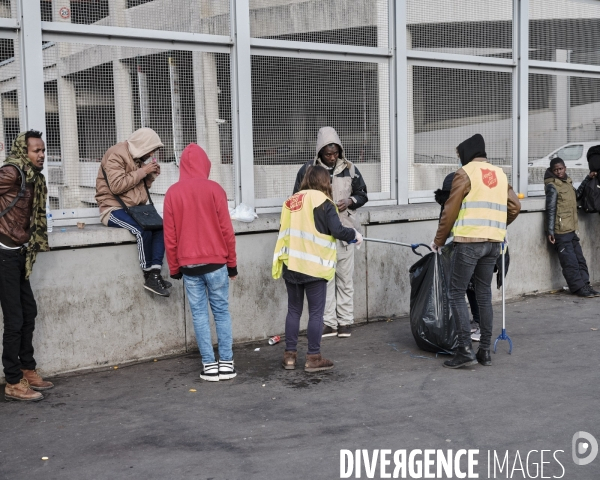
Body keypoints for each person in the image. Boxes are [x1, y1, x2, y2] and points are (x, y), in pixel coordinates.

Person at [431, 134, 521, 369]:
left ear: (467, 154)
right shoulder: (500, 174)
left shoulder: (465, 173)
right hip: (493, 243)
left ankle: (464, 351)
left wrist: (439, 240)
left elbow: (450, 210)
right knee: (483, 294)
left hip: (470, 241)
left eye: (459, 155)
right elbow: (515, 206)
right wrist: (497, 226)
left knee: (456, 292)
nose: (459, 160)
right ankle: (484, 353)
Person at [274, 166, 363, 372]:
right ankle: (313, 358)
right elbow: (337, 230)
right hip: (314, 266)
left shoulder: (290, 202)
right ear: (324, 182)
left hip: (291, 264)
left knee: (294, 310)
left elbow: (283, 230)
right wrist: (354, 235)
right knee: (316, 313)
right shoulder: (324, 202)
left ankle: (289, 356)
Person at [163, 144, 238, 382]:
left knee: (199, 315)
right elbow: (227, 230)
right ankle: (226, 363)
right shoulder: (215, 189)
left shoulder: (172, 193)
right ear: (205, 164)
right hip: (217, 263)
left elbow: (170, 236)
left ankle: (209, 365)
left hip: (189, 266)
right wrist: (232, 264)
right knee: (221, 313)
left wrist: (174, 267)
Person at [293, 127, 368, 339]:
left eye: (336, 153)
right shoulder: (307, 170)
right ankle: (329, 323)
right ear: (320, 152)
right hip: (320, 235)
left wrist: (351, 201)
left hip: (345, 232)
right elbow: (297, 198)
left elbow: (363, 194)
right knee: (325, 281)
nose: (333, 157)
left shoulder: (351, 169)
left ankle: (345, 322)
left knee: (345, 280)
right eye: (328, 153)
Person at [1, 131, 53, 401]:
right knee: (14, 320)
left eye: (43, 150)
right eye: (36, 150)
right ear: (24, 151)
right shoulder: (12, 172)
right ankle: (12, 381)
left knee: (28, 312)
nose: (41, 154)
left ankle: (26, 367)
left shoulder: (34, 178)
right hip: (4, 254)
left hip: (21, 253)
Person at [95, 127, 171, 297]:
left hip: (134, 209)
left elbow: (137, 192)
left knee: (160, 227)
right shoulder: (116, 154)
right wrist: (143, 171)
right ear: (143, 145)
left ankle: (156, 274)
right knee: (142, 230)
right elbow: (117, 186)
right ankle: (148, 274)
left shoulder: (137, 158)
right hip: (112, 208)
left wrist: (149, 177)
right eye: (152, 149)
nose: (152, 154)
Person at [434, 172, 481, 342]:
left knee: (473, 288)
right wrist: (440, 243)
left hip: (474, 248)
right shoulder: (449, 202)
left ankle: (478, 324)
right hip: (461, 248)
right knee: (466, 288)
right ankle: (471, 325)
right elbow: (444, 224)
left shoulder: (469, 204)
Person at [544, 157, 599, 298]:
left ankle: (585, 284)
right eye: (555, 170)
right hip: (560, 231)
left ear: (565, 168)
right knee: (570, 262)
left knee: (580, 259)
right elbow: (550, 209)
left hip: (572, 228)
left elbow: (577, 195)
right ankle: (578, 288)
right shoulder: (552, 186)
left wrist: (588, 178)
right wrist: (550, 231)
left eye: (560, 169)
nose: (558, 172)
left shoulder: (567, 182)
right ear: (552, 170)